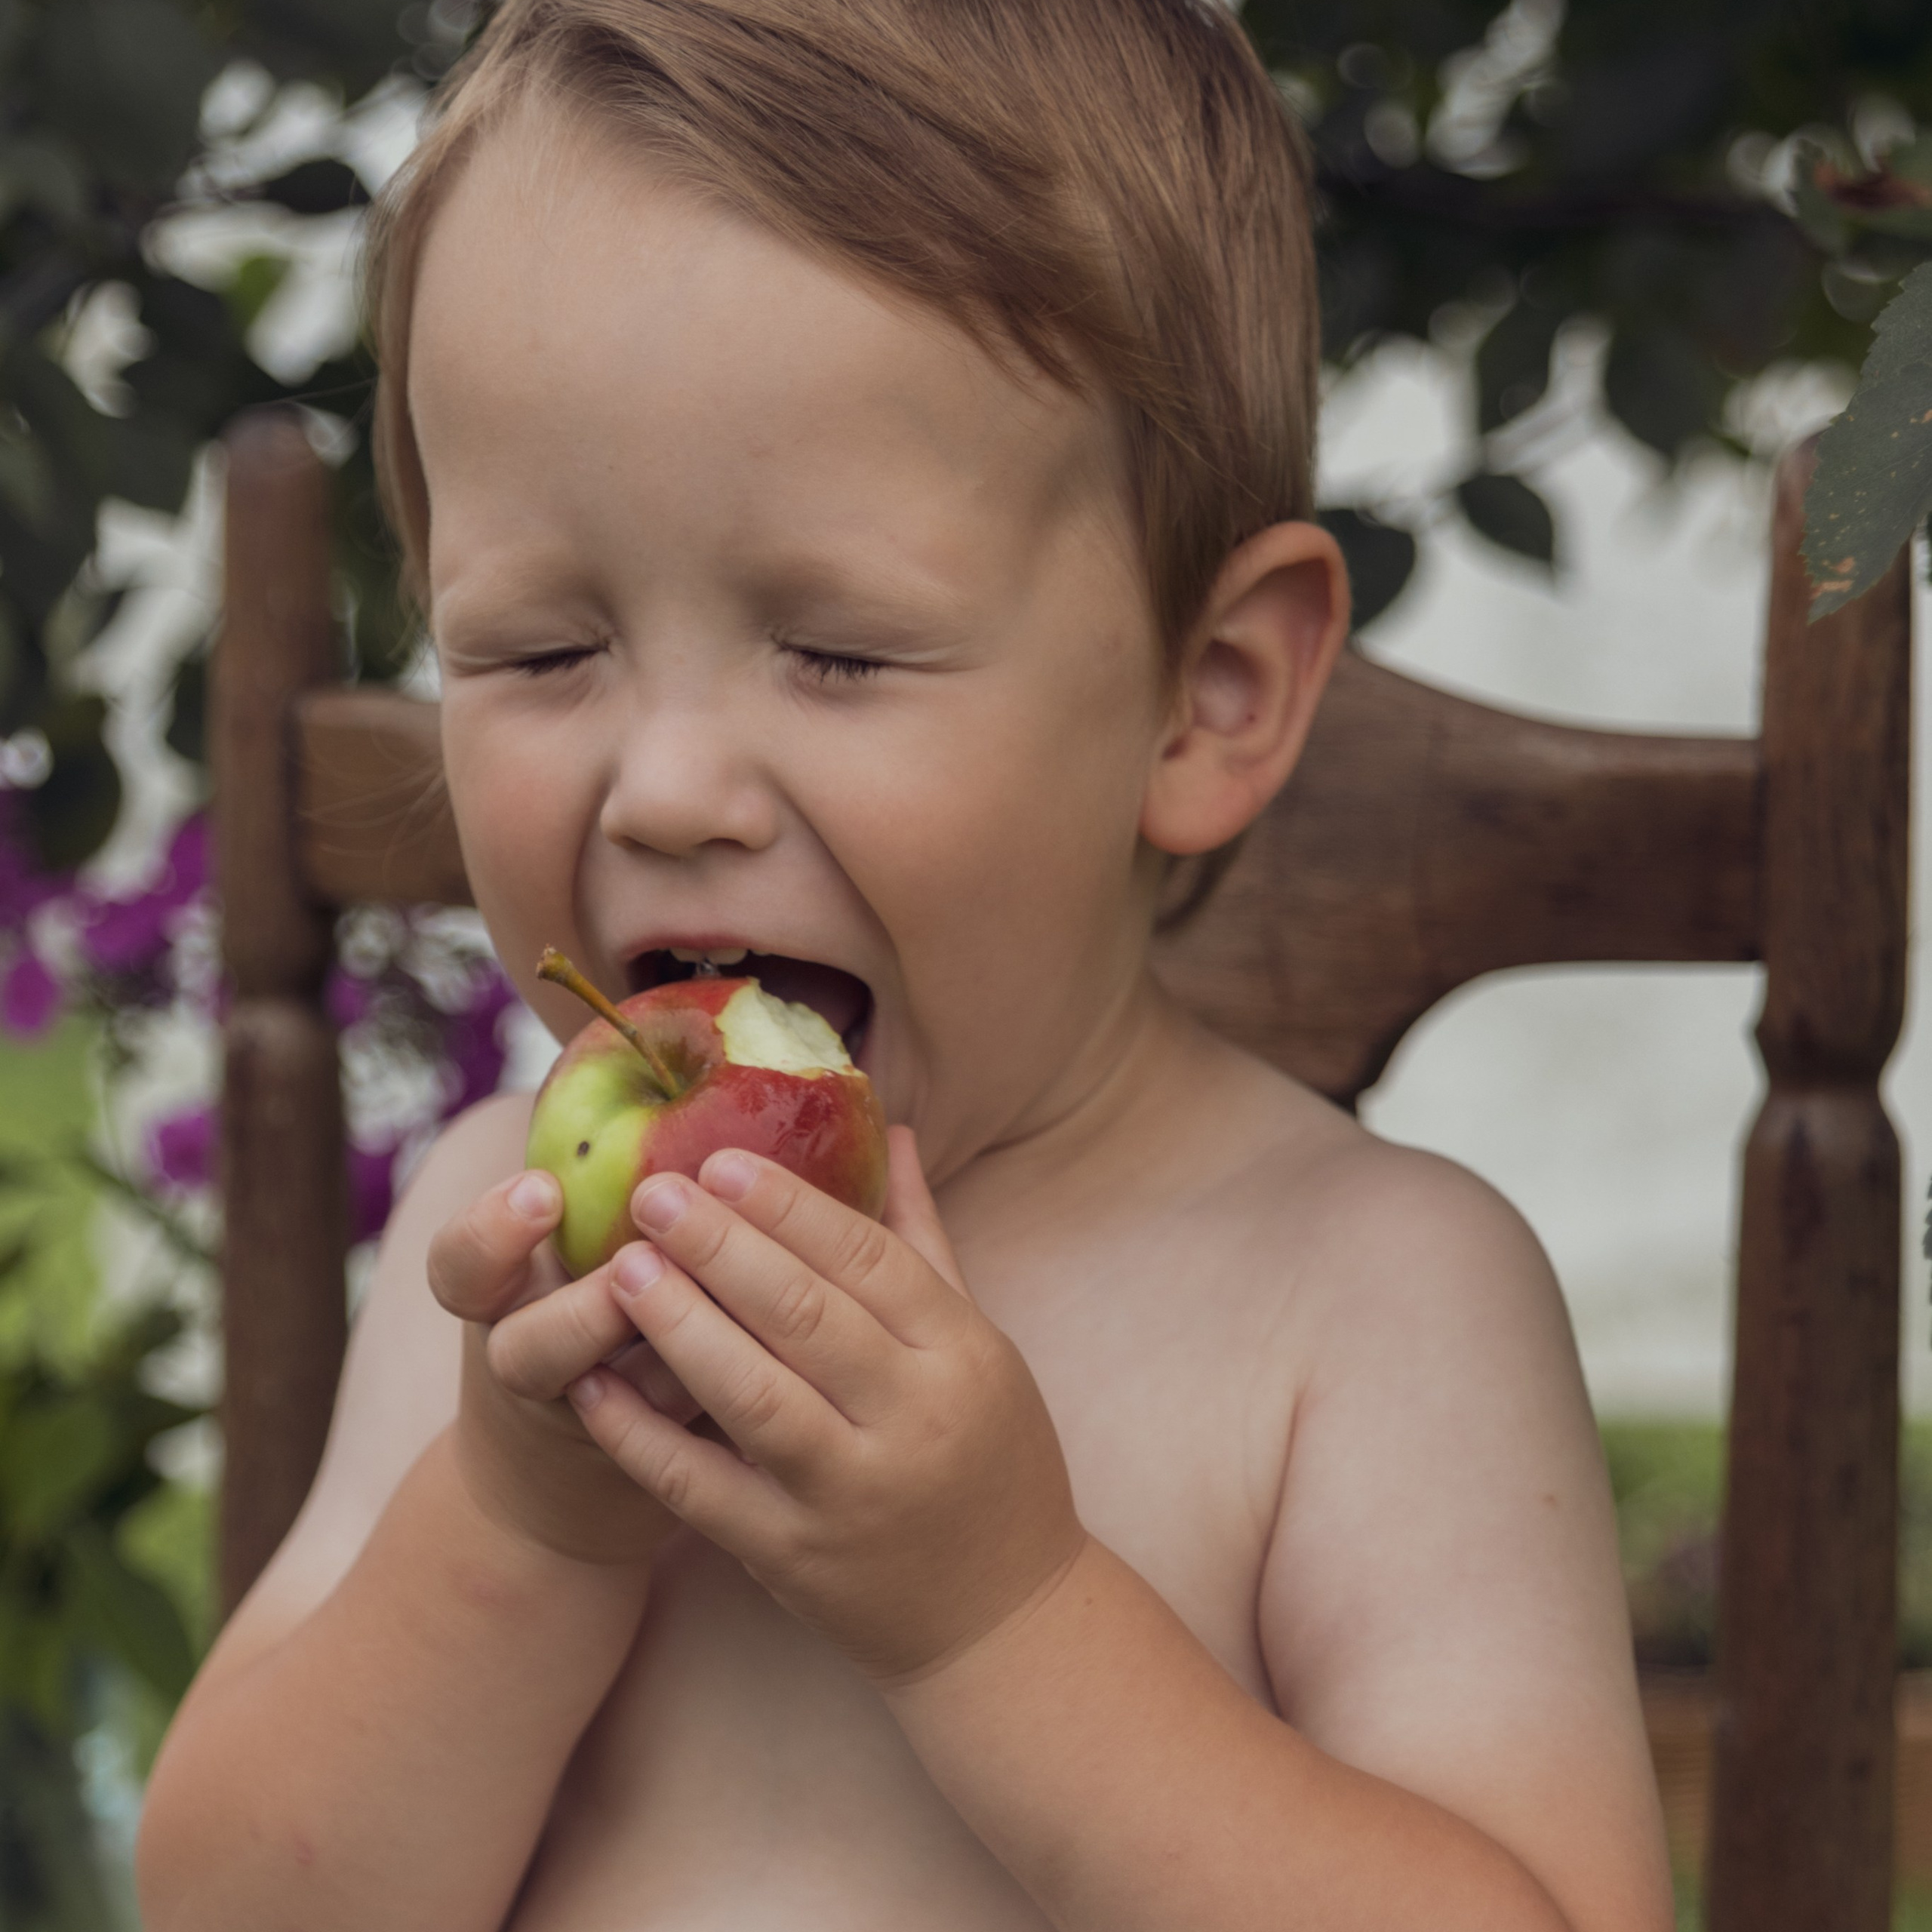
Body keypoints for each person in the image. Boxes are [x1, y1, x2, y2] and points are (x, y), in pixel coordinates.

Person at [137, 2, 1674, 1925]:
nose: (670, 784)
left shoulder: (1358, 1302)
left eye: (839, 648)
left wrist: (1003, 1613)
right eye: (538, 651)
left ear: (1205, 696)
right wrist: (518, 1530)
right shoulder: (504, 1244)